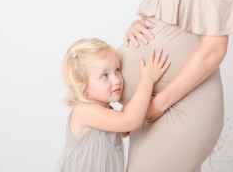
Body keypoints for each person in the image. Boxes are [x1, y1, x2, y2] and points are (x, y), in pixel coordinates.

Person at [117, 0, 233, 171]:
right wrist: (137, 25)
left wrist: (159, 104)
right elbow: (167, 22)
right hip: (147, 104)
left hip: (182, 105)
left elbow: (214, 51)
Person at [54, 38, 170, 172]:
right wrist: (147, 79)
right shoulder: (83, 111)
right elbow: (129, 121)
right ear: (83, 87)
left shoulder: (108, 111)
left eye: (117, 70)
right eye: (104, 76)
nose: (116, 80)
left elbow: (123, 130)